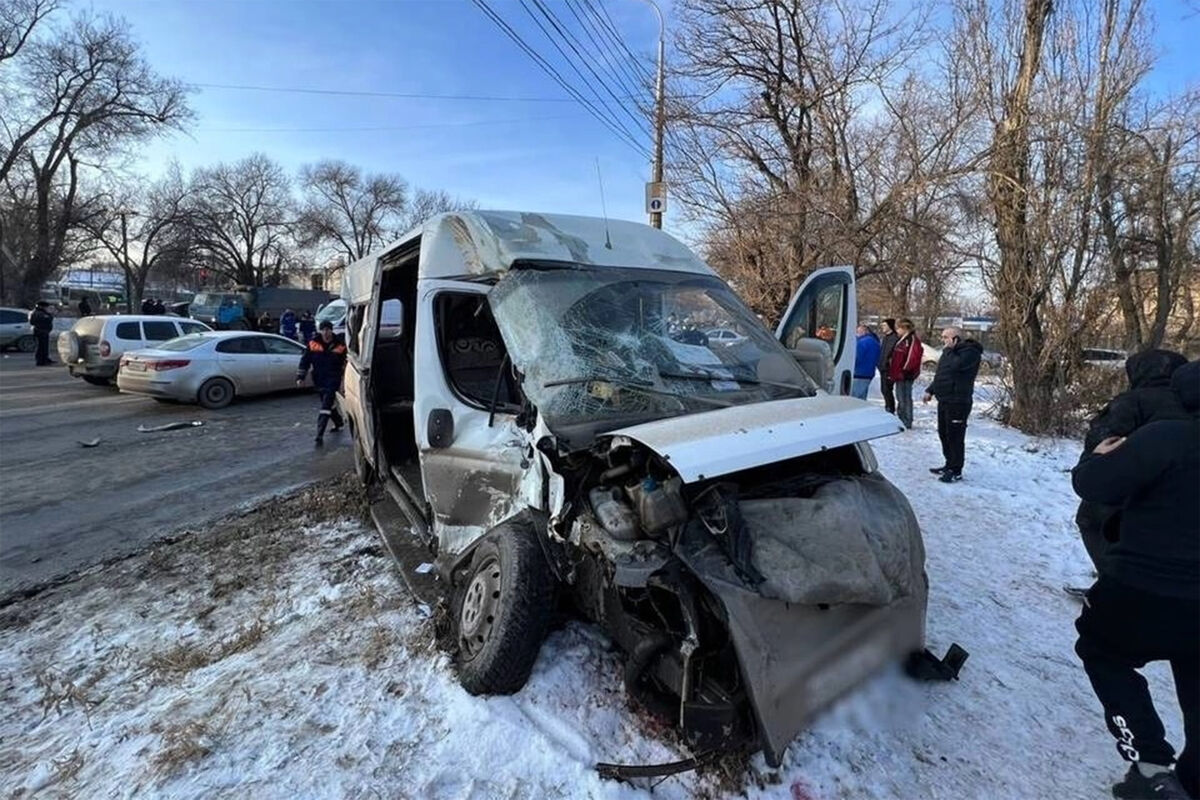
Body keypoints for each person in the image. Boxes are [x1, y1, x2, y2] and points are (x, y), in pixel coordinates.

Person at [1071, 360, 1199, 800]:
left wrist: (1099, 456)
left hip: (1142, 588)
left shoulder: (1167, 437)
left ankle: (1151, 764)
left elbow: (1094, 484)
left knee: (1099, 649)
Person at [1075, 349, 1188, 571]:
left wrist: (1092, 462)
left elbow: (1101, 443)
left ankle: (1112, 576)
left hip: (1133, 487)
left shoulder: (1132, 401)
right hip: (1183, 492)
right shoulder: (1190, 403)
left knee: (1091, 520)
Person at [923, 327, 983, 483]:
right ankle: (949, 464)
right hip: (944, 399)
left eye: (946, 337)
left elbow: (956, 366)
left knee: (955, 436)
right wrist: (931, 390)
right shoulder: (948, 353)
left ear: (955, 339)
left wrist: (949, 351)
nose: (943, 340)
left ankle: (956, 470)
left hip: (958, 401)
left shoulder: (970, 353)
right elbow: (942, 374)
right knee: (944, 434)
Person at [296, 320, 347, 445]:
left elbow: (346, 363)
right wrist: (300, 377)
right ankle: (338, 422)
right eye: (323, 329)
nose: (326, 332)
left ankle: (319, 434)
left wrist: (343, 381)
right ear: (320, 331)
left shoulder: (340, 345)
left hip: (333, 379)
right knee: (328, 404)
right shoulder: (313, 344)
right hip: (319, 379)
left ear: (331, 330)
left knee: (325, 406)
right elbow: (305, 361)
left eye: (328, 329)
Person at [886, 319, 923, 429]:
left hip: (905, 374)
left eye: (898, 328)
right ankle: (901, 417)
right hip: (899, 374)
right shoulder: (902, 340)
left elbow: (913, 357)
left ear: (904, 328)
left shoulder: (911, 340)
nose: (897, 331)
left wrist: (904, 370)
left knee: (905, 397)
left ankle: (906, 420)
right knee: (900, 396)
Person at [851, 324, 881, 400]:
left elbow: (856, 357)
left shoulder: (862, 343)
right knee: (862, 398)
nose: (857, 333)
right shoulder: (875, 342)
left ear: (864, 331)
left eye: (858, 331)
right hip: (869, 373)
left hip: (859, 373)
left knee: (854, 399)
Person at [877, 318, 899, 414]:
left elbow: (891, 354)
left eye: (884, 325)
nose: (883, 327)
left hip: (889, 368)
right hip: (883, 367)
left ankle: (890, 408)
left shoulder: (894, 338)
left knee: (887, 389)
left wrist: (887, 363)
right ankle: (888, 406)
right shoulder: (885, 338)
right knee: (883, 389)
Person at [28, 301, 54, 366]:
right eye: (45, 307)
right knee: (41, 347)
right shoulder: (38, 313)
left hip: (43, 331)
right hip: (41, 331)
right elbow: (48, 319)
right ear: (41, 306)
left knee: (44, 347)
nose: (46, 308)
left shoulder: (39, 312)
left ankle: (45, 359)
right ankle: (41, 361)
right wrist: (48, 316)